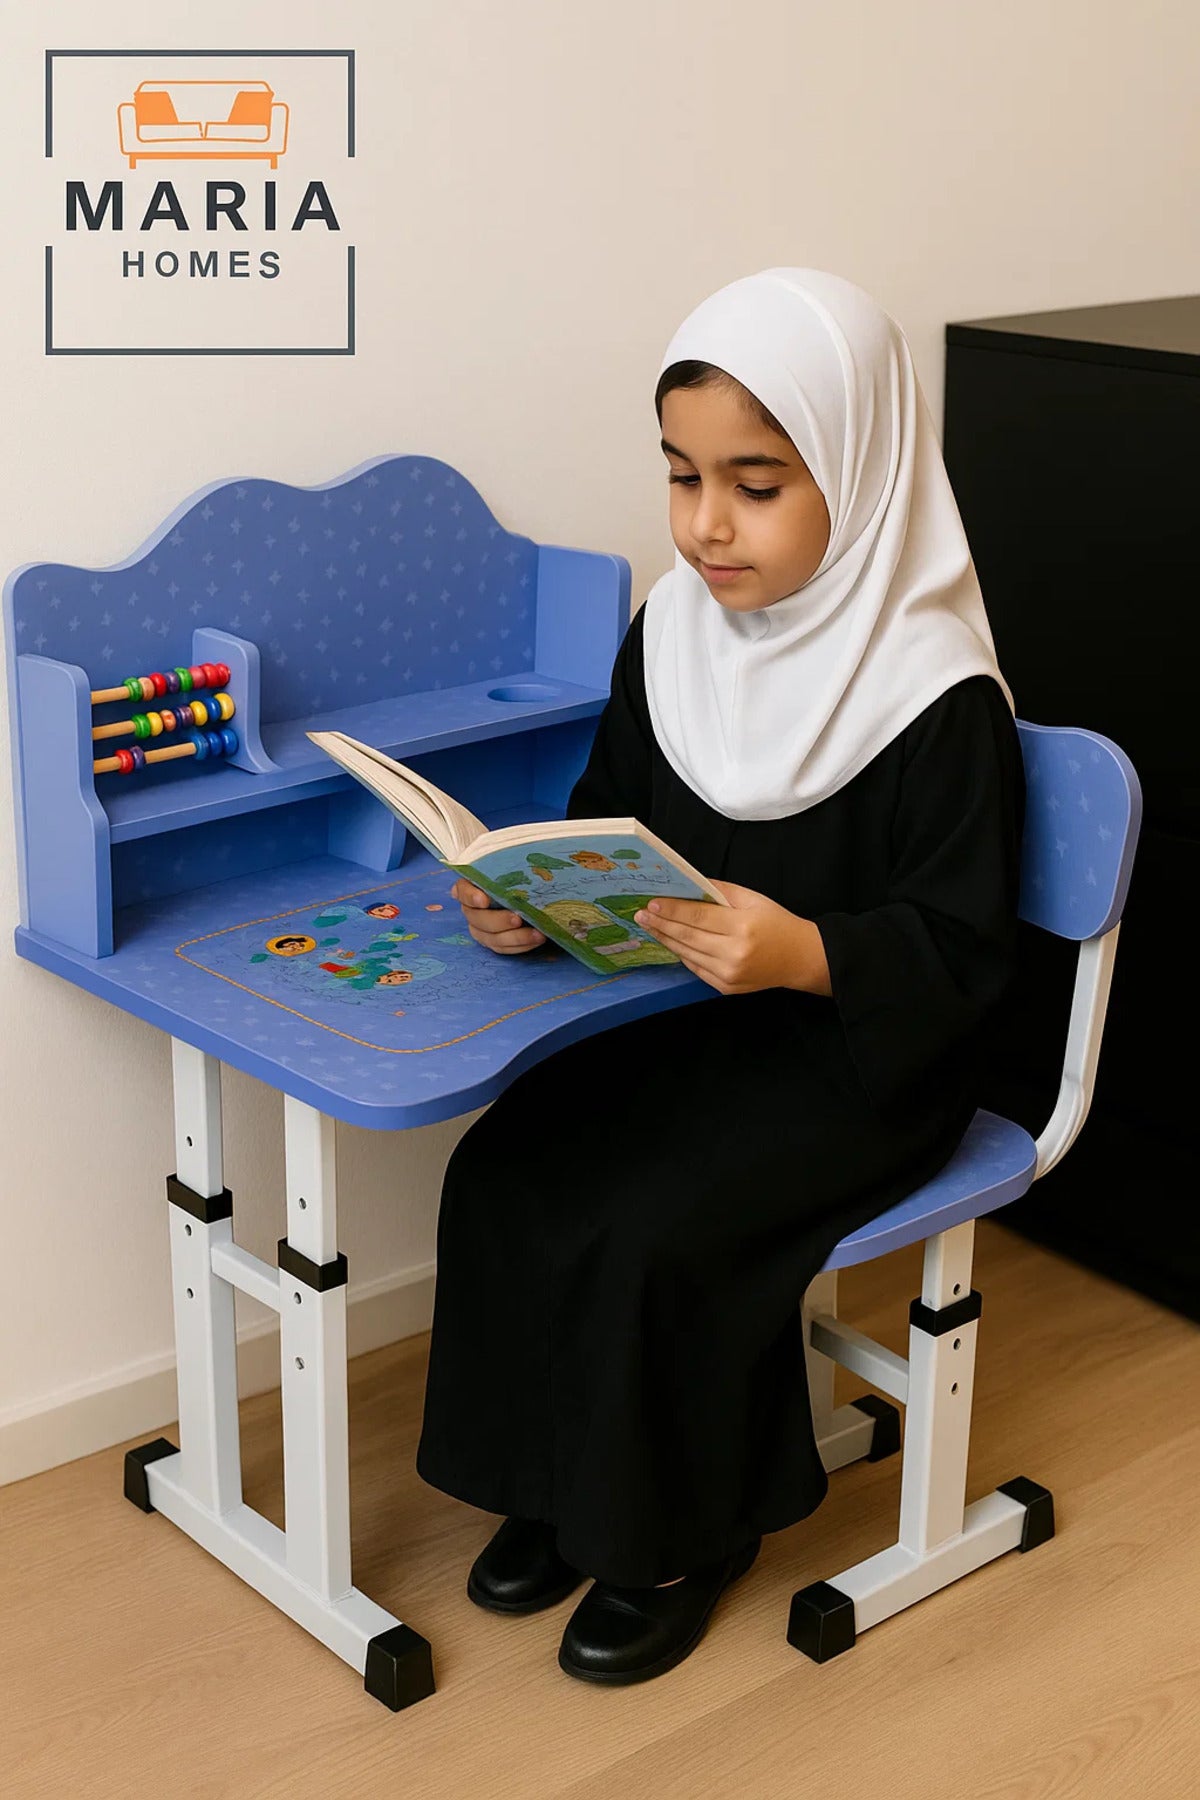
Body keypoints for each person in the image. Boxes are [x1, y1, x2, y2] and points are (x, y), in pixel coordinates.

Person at [414, 267, 1025, 1687]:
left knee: (659, 1227)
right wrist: (529, 905)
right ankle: (558, 1485)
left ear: (861, 477)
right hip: (689, 1024)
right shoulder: (673, 637)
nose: (704, 525)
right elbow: (603, 814)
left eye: (756, 484)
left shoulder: (935, 694)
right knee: (513, 1165)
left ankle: (678, 1534)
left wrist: (808, 950)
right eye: (684, 477)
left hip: (867, 1060)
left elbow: (968, 957)